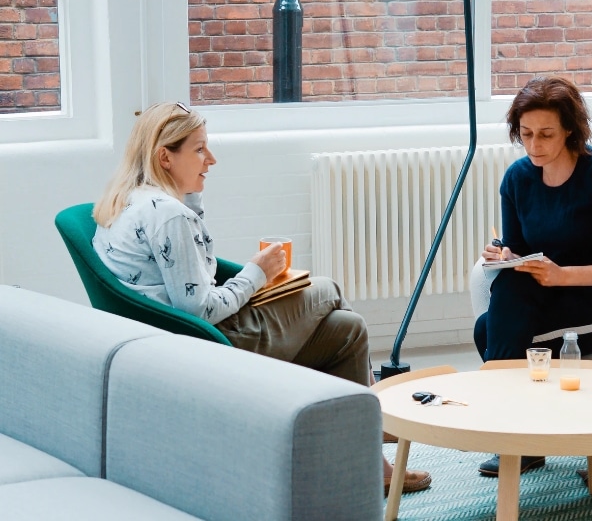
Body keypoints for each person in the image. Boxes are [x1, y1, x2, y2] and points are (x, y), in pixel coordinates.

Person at [92, 102, 430, 497]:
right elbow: (198, 308)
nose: (211, 159)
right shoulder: (170, 217)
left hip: (173, 341)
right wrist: (257, 273)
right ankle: (375, 415)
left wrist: (195, 204)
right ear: (165, 156)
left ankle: (368, 458)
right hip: (211, 343)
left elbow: (191, 280)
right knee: (328, 289)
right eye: (200, 149)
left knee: (348, 329)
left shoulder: (134, 201)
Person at [474, 76, 592, 477]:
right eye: (526, 133)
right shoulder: (517, 178)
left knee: (489, 332)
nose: (534, 145)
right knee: (497, 310)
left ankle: (515, 434)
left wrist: (561, 275)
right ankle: (522, 434)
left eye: (546, 134)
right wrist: (503, 254)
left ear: (570, 129)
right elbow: (519, 250)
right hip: (552, 296)